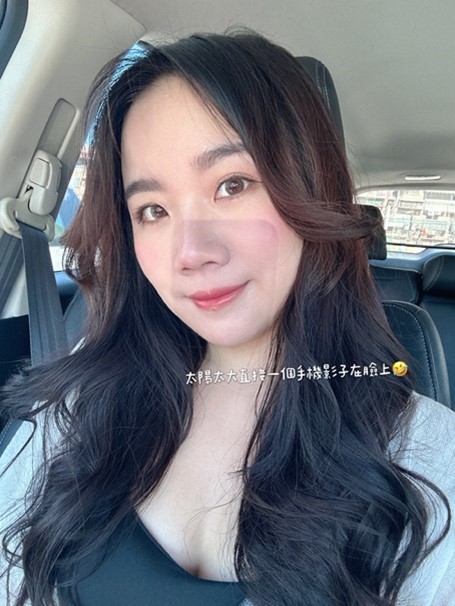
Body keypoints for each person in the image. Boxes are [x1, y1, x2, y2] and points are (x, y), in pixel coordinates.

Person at [1, 30, 454, 606]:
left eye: (232, 185)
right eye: (153, 210)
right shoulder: (75, 405)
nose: (191, 253)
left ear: (312, 190)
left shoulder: (432, 464)